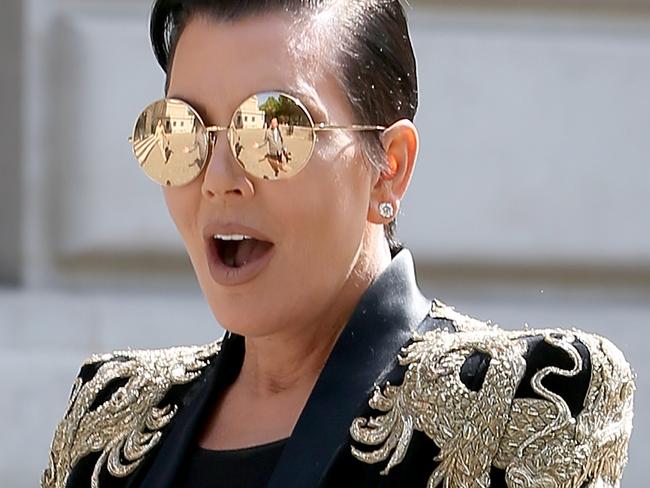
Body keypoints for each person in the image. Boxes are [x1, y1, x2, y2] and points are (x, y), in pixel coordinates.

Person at [42, 1, 635, 487]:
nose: (220, 177)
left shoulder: (524, 398)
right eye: (183, 131)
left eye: (273, 130)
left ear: (390, 168)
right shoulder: (109, 420)